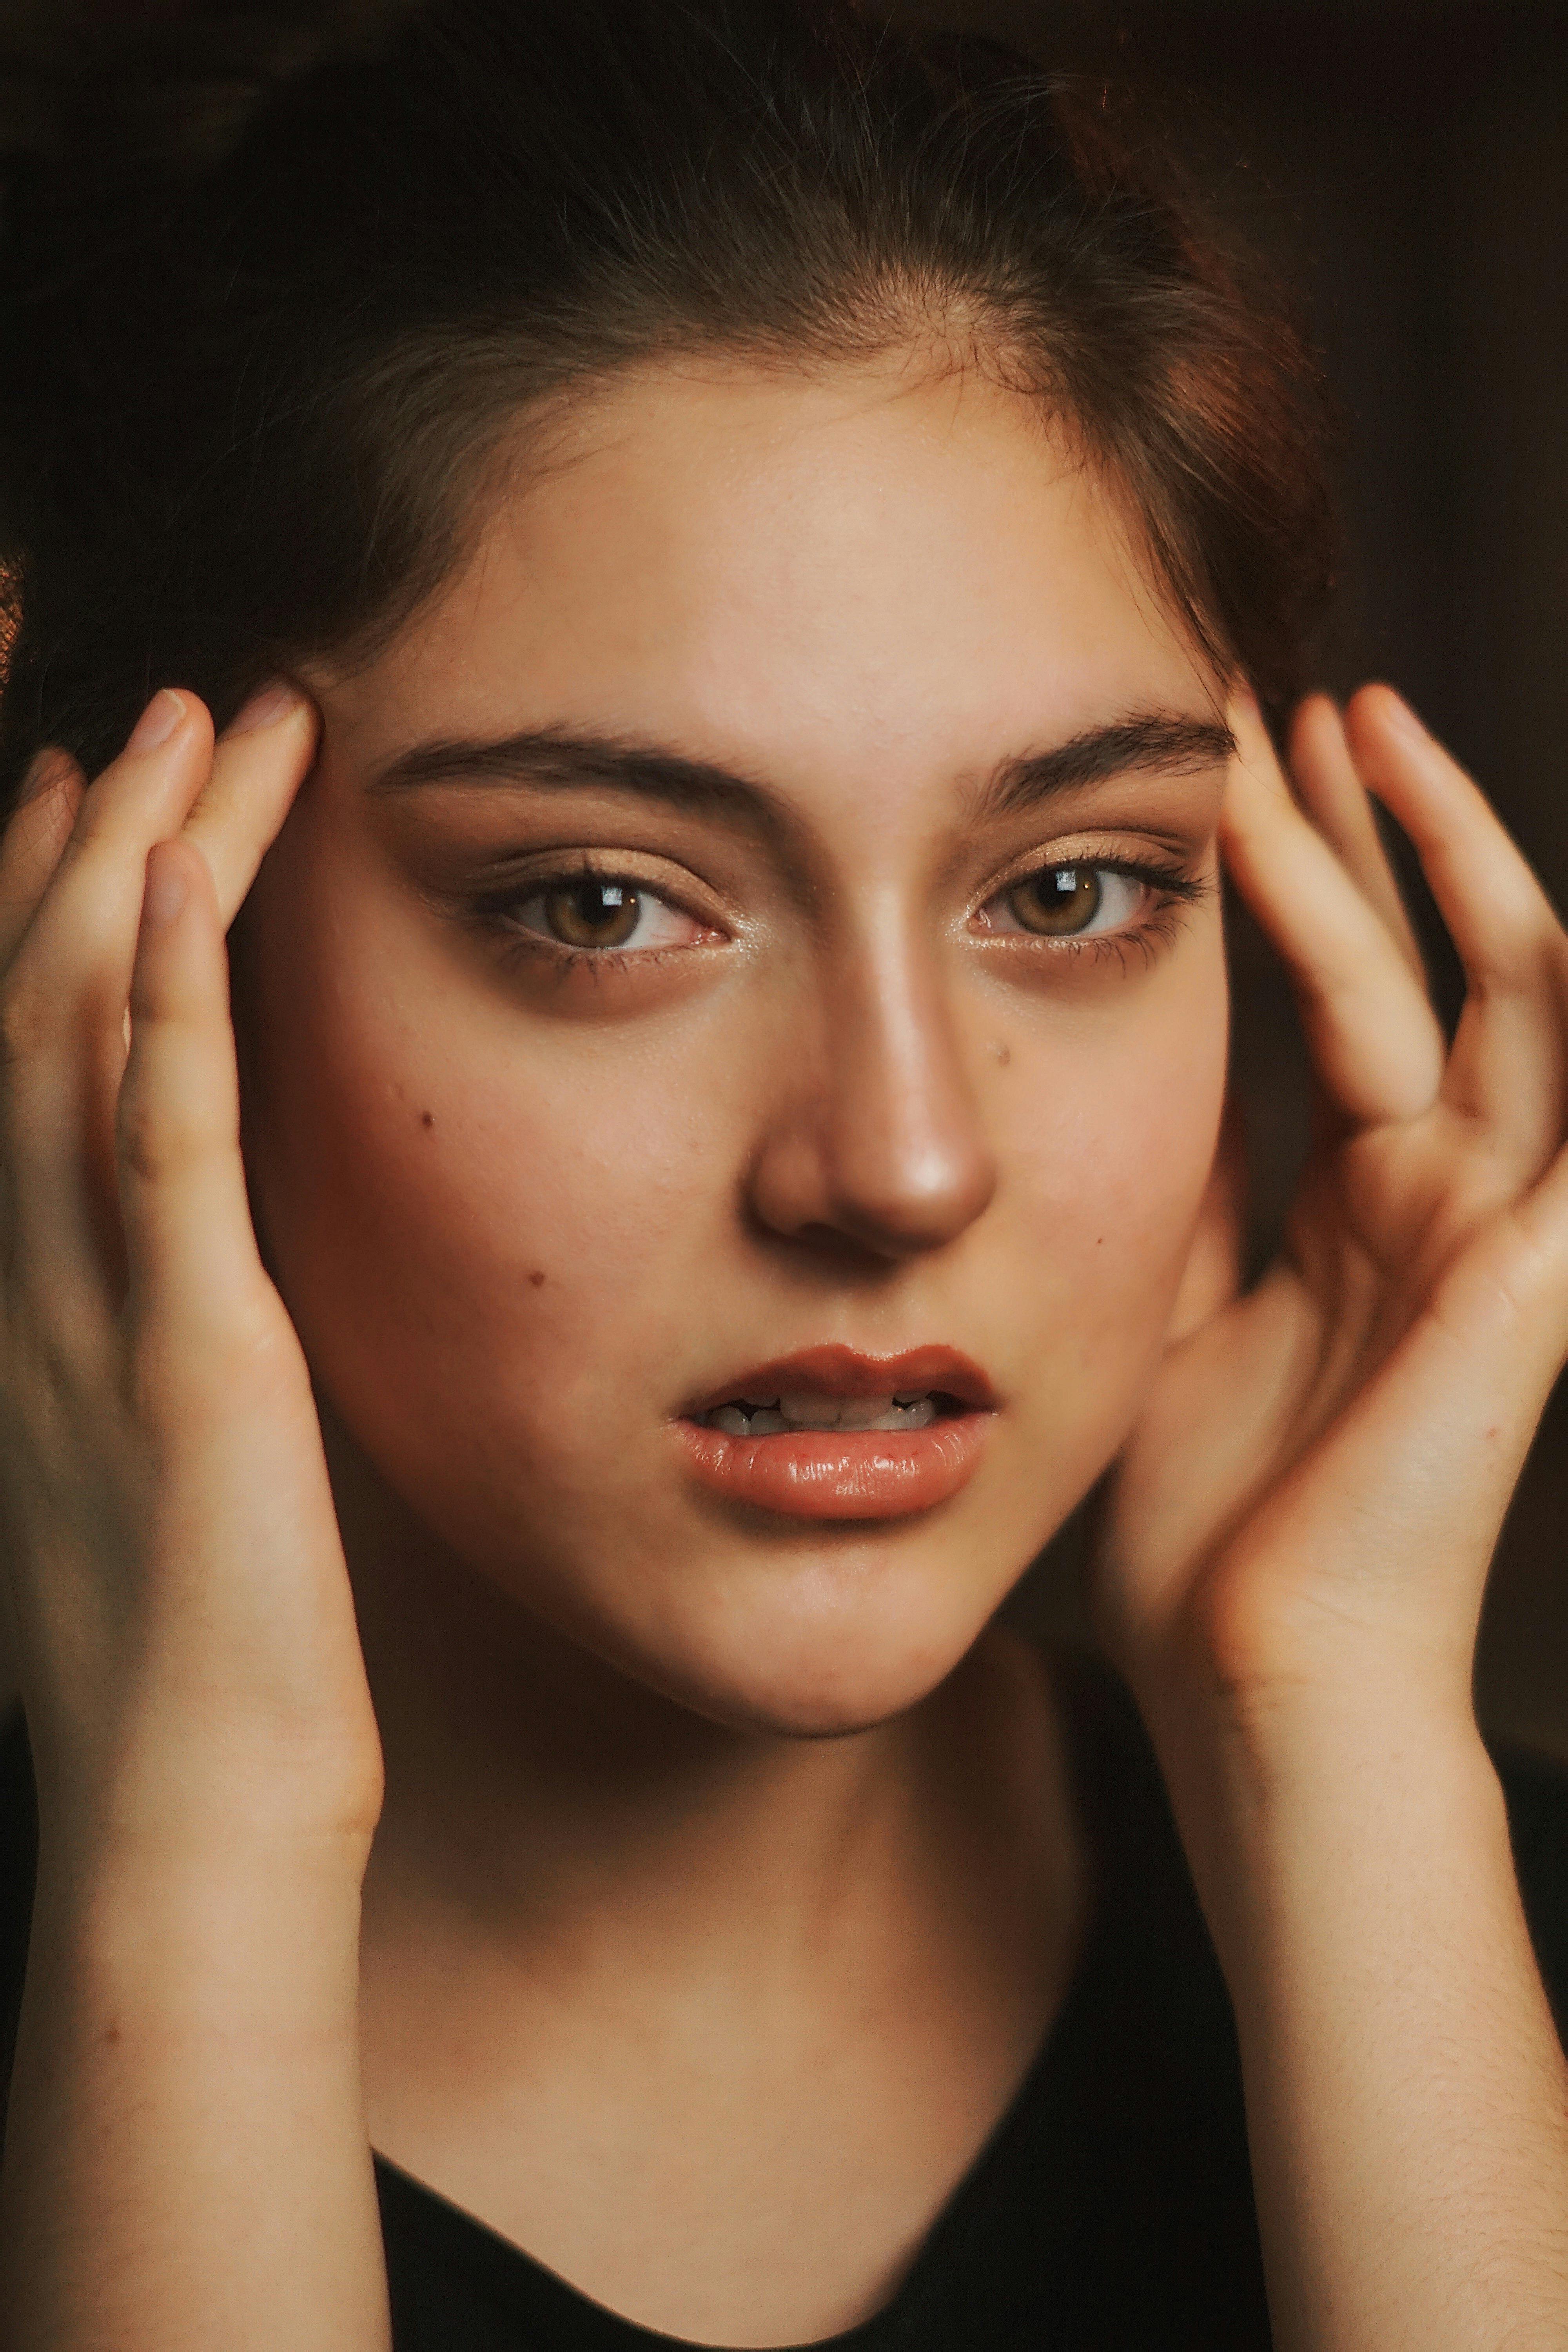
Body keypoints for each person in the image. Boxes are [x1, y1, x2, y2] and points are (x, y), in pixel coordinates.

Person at [1, 2, 1567, 2345]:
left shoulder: (1468, 1918)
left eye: (1069, 890)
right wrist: (189, 1877)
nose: (903, 1163)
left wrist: (1332, 1747)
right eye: (605, 904)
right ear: (128, 927)